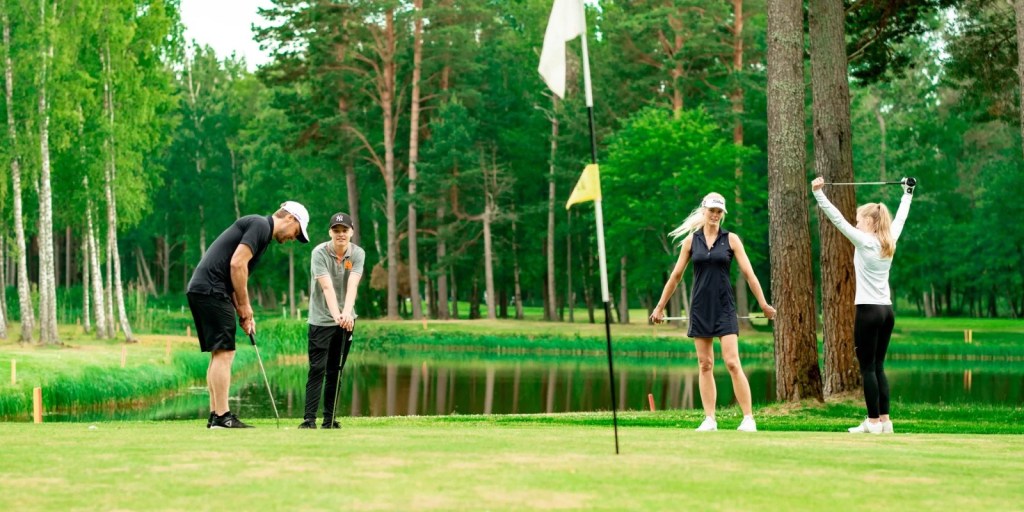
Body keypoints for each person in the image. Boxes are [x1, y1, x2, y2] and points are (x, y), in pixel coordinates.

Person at [650, 192, 776, 432]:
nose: (715, 215)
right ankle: (710, 419)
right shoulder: (691, 241)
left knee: (732, 362)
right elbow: (676, 276)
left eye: (719, 212)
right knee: (705, 364)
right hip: (700, 308)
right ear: (704, 210)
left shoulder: (731, 240)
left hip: (724, 307)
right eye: (712, 210)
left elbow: (749, 274)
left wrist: (763, 304)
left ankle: (748, 418)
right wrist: (659, 306)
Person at [187, 201, 310, 429]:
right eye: (297, 231)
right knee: (225, 353)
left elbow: (234, 276)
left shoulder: (261, 233)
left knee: (219, 353)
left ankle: (215, 415)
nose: (294, 238)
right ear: (290, 218)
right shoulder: (261, 225)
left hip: (205, 289)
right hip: (212, 289)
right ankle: (223, 416)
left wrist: (244, 314)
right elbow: (237, 265)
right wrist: (245, 305)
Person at [811, 176, 915, 435]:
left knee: (867, 368)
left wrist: (818, 193)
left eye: (859, 220)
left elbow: (837, 220)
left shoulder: (865, 240)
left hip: (868, 311)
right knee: (878, 366)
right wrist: (908, 192)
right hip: (887, 312)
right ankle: (885, 421)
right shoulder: (890, 239)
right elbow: (901, 218)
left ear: (869, 221)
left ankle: (873, 422)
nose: (856, 223)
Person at [299, 212, 365, 429]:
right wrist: (337, 315)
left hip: (346, 320)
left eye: (344, 230)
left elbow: (352, 285)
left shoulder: (357, 254)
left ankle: (329, 420)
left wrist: (346, 314)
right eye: (336, 231)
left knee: (335, 370)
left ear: (351, 232)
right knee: (317, 369)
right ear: (330, 232)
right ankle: (309, 419)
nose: (340, 234)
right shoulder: (319, 253)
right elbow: (326, 287)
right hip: (321, 319)